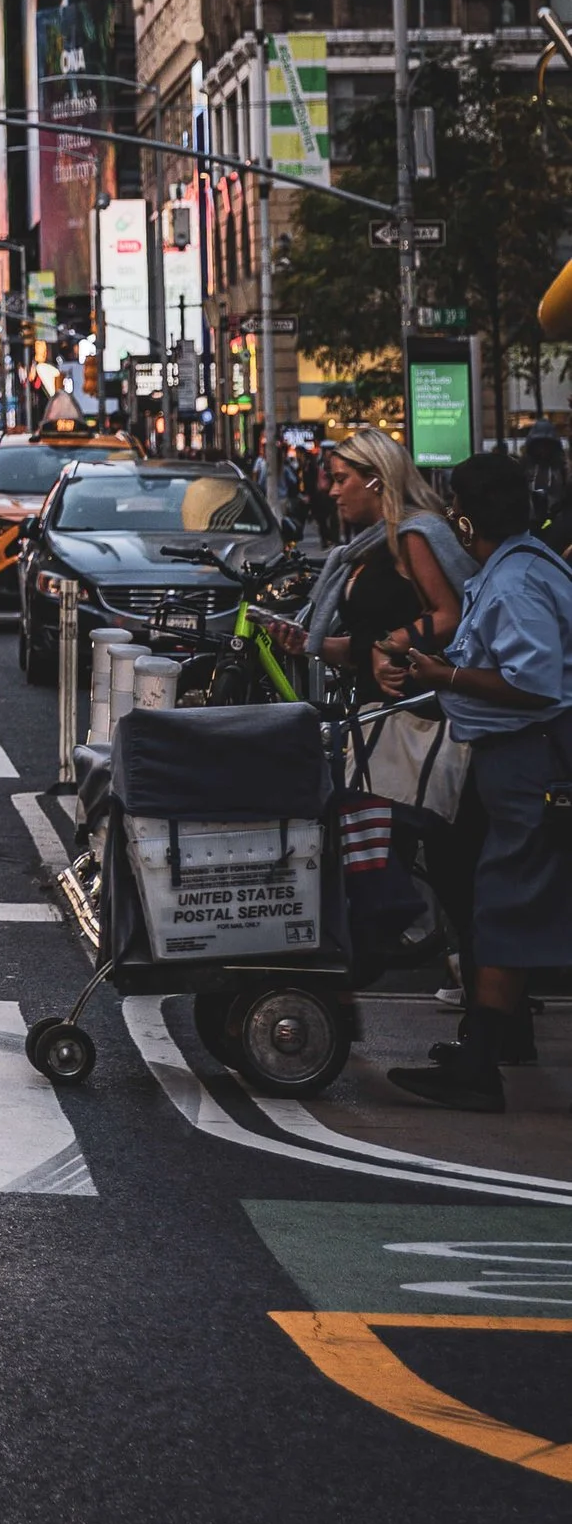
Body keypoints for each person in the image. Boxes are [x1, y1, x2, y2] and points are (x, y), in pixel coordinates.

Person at [375, 446, 572, 1112]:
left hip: (531, 759)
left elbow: (533, 681)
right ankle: (493, 1042)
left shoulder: (515, 582)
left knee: (508, 899)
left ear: (464, 519)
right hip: (514, 758)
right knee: (499, 892)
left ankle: (482, 1064)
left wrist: (447, 677)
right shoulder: (516, 566)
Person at [281, 426, 469, 700]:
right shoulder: (367, 546)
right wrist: (310, 644)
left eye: (341, 479)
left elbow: (449, 615)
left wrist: (386, 646)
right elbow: (362, 646)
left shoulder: (413, 536)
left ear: (376, 480)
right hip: (374, 710)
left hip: (414, 714)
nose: (333, 491)